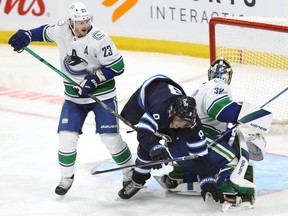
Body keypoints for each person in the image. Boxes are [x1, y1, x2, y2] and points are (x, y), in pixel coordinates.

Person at [8, 2, 134, 196]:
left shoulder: (100, 39)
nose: (84, 25)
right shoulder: (61, 29)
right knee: (66, 137)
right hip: (74, 98)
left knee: (110, 138)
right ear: (71, 22)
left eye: (86, 20)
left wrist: (95, 78)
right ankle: (66, 177)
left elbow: (118, 66)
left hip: (102, 95)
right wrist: (26, 35)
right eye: (80, 21)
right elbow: (43, 32)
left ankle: (129, 173)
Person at [159, 58, 267, 205]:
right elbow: (219, 109)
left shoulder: (200, 88)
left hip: (178, 148)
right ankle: (227, 186)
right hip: (193, 143)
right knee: (231, 157)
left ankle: (181, 175)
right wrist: (251, 115)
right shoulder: (219, 85)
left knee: (223, 142)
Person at [117, 74, 224, 204]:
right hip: (149, 89)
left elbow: (200, 156)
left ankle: (137, 179)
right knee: (142, 140)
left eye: (187, 123)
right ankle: (139, 178)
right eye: (180, 121)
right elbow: (143, 132)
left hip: (172, 98)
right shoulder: (159, 109)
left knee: (166, 137)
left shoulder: (192, 125)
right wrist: (154, 147)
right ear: (172, 112)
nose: (182, 125)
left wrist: (207, 180)